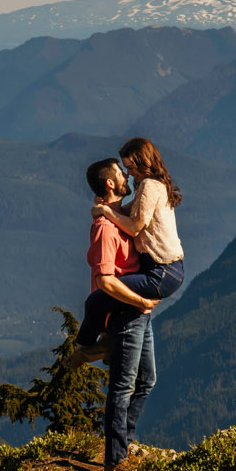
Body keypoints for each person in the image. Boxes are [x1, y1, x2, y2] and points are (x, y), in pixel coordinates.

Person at [71, 137, 187, 360]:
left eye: (132, 168)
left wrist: (105, 212)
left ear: (144, 163)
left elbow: (134, 227)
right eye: (126, 169)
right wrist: (107, 206)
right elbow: (127, 213)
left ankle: (85, 348)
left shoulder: (149, 186)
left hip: (161, 272)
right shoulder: (154, 185)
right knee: (108, 299)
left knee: (96, 300)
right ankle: (103, 343)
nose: (129, 174)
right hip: (165, 269)